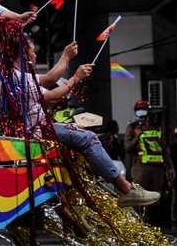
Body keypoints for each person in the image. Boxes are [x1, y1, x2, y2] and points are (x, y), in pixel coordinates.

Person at [21, 39, 161, 207]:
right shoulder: (18, 78)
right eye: (32, 51)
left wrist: (66, 57)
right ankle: (125, 189)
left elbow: (50, 79)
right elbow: (53, 93)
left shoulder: (20, 77)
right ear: (21, 54)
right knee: (88, 138)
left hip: (39, 127)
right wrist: (75, 77)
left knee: (80, 132)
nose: (35, 55)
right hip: (36, 130)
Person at [124, 101, 173, 227]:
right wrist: (138, 137)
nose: (141, 113)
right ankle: (138, 226)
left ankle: (154, 226)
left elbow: (164, 149)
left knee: (155, 199)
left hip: (157, 169)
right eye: (139, 110)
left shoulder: (157, 127)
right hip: (141, 168)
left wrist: (170, 167)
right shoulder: (132, 127)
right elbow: (127, 147)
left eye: (144, 110)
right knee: (139, 198)